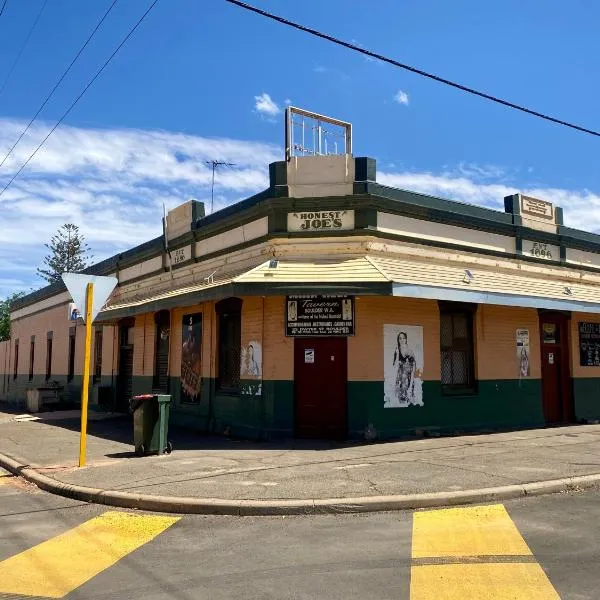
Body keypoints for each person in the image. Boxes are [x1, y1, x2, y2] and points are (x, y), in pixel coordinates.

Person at [393, 331, 416, 406]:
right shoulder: (397, 350)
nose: (402, 340)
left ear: (406, 339)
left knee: (408, 396)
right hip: (400, 377)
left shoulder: (410, 351)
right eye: (400, 338)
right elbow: (395, 365)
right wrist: (397, 354)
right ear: (398, 340)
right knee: (400, 397)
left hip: (408, 376)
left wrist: (412, 379)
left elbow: (413, 366)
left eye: (403, 338)